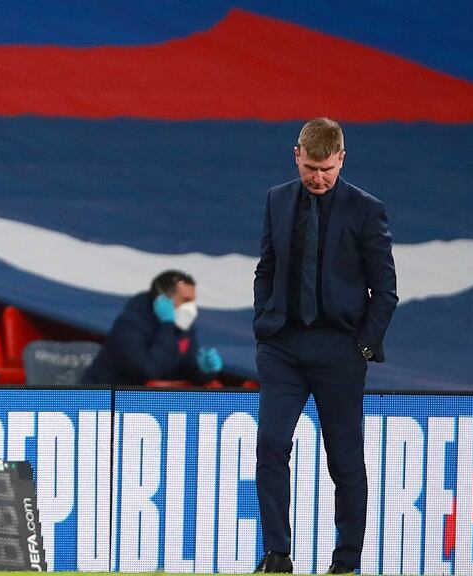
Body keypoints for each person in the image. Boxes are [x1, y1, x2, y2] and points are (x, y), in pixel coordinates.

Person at [252, 118, 397, 574]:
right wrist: (264, 323)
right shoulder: (277, 199)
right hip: (283, 347)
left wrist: (363, 348)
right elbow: (266, 268)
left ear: (342, 160)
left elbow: (386, 291)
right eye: (311, 167)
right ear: (297, 154)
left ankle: (346, 562)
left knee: (344, 457)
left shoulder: (366, 210)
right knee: (271, 442)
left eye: (327, 169)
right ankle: (277, 554)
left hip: (340, 350)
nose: (318, 177)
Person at [80, 270, 223, 386]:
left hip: (149, 405)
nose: (191, 307)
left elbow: (186, 371)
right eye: (185, 300)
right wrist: (167, 326)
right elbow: (148, 372)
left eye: (192, 300)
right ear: (163, 300)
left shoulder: (184, 327)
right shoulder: (129, 325)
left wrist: (204, 371)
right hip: (103, 402)